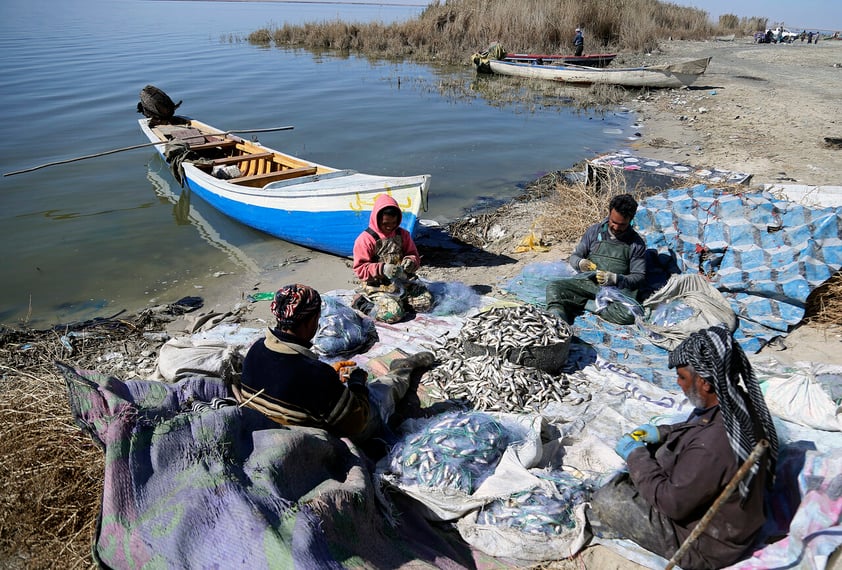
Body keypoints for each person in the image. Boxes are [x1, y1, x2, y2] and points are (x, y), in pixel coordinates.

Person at [588, 326, 779, 570]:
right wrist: (664, 432)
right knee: (660, 451)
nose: (678, 383)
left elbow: (672, 504)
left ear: (705, 382)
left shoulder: (712, 446)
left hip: (707, 544)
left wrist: (636, 455)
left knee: (608, 498)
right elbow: (700, 425)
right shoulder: (735, 401)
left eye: (682, 377)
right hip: (729, 518)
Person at [232, 283, 435, 447]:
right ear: (310, 322)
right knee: (381, 392)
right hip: (305, 442)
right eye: (317, 318)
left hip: (264, 429)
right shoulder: (314, 374)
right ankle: (404, 368)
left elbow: (286, 381)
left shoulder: (257, 348)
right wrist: (357, 384)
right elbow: (357, 422)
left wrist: (329, 379)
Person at [545, 193, 646, 325]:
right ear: (609, 214)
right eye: (613, 222)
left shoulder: (636, 243)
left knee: (628, 314)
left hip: (616, 291)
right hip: (588, 283)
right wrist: (580, 263)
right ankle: (557, 323)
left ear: (630, 220)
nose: (616, 228)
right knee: (554, 288)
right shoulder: (594, 232)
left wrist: (616, 278)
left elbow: (639, 277)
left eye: (622, 225)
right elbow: (575, 257)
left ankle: (586, 303)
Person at [352, 193, 433, 323]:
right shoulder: (365, 239)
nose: (390, 227)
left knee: (426, 303)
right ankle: (362, 303)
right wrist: (383, 269)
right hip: (378, 286)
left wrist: (410, 261)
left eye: (394, 223)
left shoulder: (403, 235)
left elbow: (414, 255)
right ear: (377, 219)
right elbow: (360, 270)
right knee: (393, 314)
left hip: (402, 281)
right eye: (385, 223)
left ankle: (401, 301)